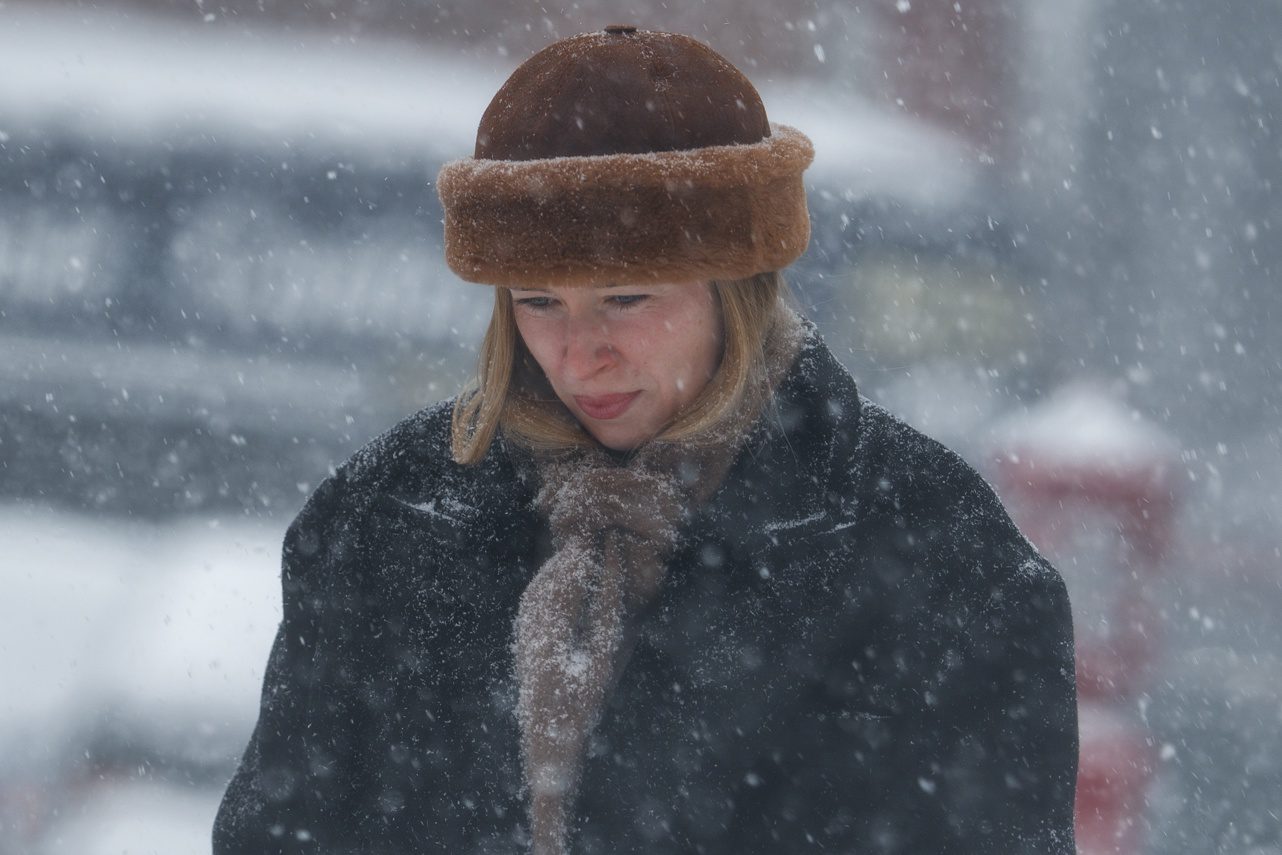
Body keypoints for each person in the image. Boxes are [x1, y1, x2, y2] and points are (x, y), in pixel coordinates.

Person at [213, 26, 1078, 855]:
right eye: (538, 301)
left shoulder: (933, 548)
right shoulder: (388, 516)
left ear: (735, 289)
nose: (579, 351)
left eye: (625, 297)